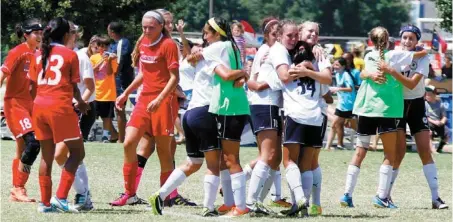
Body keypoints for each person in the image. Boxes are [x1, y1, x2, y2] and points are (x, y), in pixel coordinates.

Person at [147, 23, 249, 217]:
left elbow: (193, 55)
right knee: (215, 163)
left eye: (205, 32)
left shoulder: (197, 60)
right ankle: (208, 207)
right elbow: (227, 74)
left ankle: (160, 195)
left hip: (190, 114)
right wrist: (244, 72)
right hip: (205, 112)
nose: (204, 35)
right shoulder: (213, 56)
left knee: (193, 162)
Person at [340, 26, 428, 208]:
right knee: (390, 153)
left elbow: (364, 73)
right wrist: (426, 49)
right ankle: (381, 197)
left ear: (371, 41)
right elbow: (419, 55)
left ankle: (347, 194)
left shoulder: (368, 56)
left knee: (359, 152)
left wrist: (369, 73)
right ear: (389, 40)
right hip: (388, 108)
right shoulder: (394, 56)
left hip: (366, 108)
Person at [111, 10, 179, 207]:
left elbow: (175, 78)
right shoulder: (143, 43)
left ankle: (165, 195)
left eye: (151, 27)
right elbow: (143, 74)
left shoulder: (168, 45)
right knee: (128, 143)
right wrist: (125, 93)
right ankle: (129, 193)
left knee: (163, 151)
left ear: (161, 27)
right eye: (144, 27)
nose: (147, 30)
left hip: (164, 101)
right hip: (144, 101)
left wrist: (160, 98)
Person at [28, 17, 89, 213]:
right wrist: (80, 103)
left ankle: (44, 204)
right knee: (78, 152)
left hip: (39, 106)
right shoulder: (70, 54)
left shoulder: (38, 53)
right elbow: (72, 86)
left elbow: (32, 85)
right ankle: (61, 198)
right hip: (60, 107)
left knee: (46, 156)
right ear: (65, 35)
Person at [291, 20, 332, 217]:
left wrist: (308, 70)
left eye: (316, 32)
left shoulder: (320, 54)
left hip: (316, 112)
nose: (314, 34)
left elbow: (327, 81)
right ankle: (299, 202)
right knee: (298, 160)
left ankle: (312, 202)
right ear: (299, 32)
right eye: (310, 31)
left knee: (310, 160)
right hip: (297, 110)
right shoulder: (290, 49)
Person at [0, 18, 43, 203]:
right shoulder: (17, 52)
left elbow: (36, 84)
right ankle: (18, 187)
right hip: (15, 104)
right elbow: (1, 75)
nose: (40, 36)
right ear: (26, 35)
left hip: (30, 105)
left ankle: (17, 190)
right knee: (33, 143)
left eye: (41, 33)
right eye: (36, 33)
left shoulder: (39, 54)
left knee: (22, 148)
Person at [53, 22, 95, 211]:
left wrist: (79, 106)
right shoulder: (57, 54)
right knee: (68, 155)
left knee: (63, 154)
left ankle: (82, 194)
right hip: (61, 109)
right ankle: (83, 194)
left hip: (79, 109)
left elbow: (90, 87)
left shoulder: (80, 57)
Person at [245, 17, 284, 215]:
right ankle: (251, 201)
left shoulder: (271, 50)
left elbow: (252, 80)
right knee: (268, 156)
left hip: (269, 105)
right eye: (274, 32)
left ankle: (254, 197)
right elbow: (255, 82)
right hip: (265, 104)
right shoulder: (267, 51)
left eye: (280, 32)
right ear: (267, 35)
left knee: (274, 158)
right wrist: (272, 83)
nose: (278, 36)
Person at [107, 21, 134, 143]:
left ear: (112, 32)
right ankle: (120, 136)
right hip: (115, 80)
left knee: (119, 109)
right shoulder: (115, 44)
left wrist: (114, 74)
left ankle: (121, 139)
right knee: (116, 110)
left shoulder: (123, 43)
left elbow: (119, 63)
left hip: (121, 81)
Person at [91, 36, 119, 142]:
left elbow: (110, 72)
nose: (104, 49)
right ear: (98, 47)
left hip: (108, 93)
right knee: (93, 115)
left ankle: (106, 135)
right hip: (95, 92)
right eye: (101, 46)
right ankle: (90, 134)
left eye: (106, 46)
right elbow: (92, 70)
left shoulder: (112, 58)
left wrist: (109, 60)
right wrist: (102, 59)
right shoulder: (93, 58)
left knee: (107, 117)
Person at [324, 58, 356, 150]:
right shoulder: (338, 74)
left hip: (348, 105)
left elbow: (350, 89)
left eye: (337, 65)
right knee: (336, 125)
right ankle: (329, 146)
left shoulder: (346, 75)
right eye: (334, 64)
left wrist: (338, 89)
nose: (335, 66)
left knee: (336, 124)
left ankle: (329, 146)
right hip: (342, 104)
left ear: (343, 66)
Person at [425, 86, 449, 153]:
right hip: (429, 122)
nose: (427, 96)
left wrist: (442, 122)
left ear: (434, 94)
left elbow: (444, 116)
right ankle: (432, 149)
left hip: (438, 123)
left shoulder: (440, 104)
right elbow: (426, 117)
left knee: (447, 133)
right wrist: (434, 122)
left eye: (429, 94)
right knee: (429, 132)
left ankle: (439, 148)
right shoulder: (425, 104)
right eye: (426, 94)